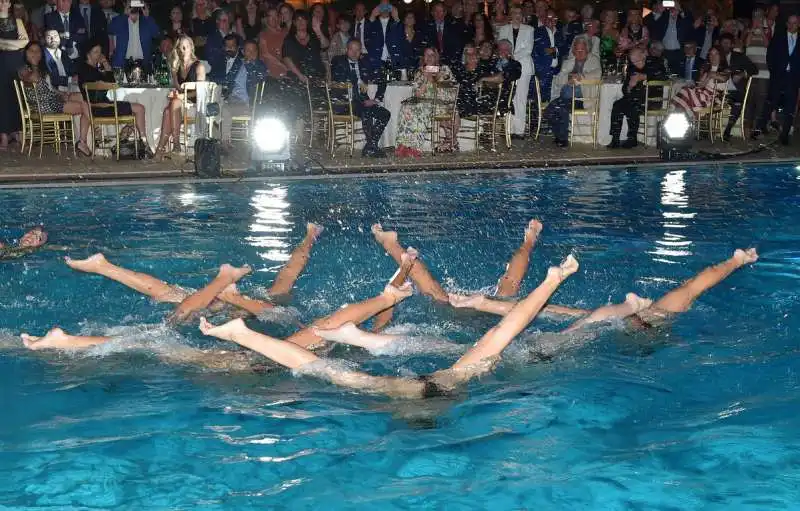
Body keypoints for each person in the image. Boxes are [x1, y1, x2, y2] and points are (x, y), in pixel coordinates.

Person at [195, 252, 579, 400]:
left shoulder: (452, 382)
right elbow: (504, 331)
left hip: (438, 387)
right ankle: (245, 334)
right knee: (323, 369)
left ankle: (550, 281)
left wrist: (551, 281)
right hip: (412, 393)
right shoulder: (426, 394)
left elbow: (503, 331)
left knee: (497, 339)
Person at [449, 248, 759, 335]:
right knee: (569, 319)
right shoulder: (663, 315)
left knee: (555, 312)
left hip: (634, 318)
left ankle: (484, 304)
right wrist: (737, 261)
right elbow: (697, 284)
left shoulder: (659, 311)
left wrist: (736, 260)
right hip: (648, 321)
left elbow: (698, 283)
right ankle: (484, 304)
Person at [59, 223, 324, 323]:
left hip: (233, 307)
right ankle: (311, 234)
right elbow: (288, 275)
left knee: (168, 295)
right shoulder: (274, 305)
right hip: (240, 306)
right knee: (282, 287)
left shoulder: (269, 308)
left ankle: (103, 266)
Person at [18, 41, 92, 156]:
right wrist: (34, 64)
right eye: (31, 51)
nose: (35, 53)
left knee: (83, 96)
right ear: (26, 53)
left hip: (53, 99)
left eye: (37, 51)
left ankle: (85, 138)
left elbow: (50, 89)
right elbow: (33, 78)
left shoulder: (42, 69)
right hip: (43, 104)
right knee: (84, 105)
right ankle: (83, 140)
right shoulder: (23, 69)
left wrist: (62, 94)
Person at [77, 38, 149, 151]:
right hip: (105, 108)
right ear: (88, 54)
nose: (99, 55)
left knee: (134, 113)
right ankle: (143, 142)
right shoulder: (92, 71)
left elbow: (110, 80)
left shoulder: (84, 70)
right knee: (140, 109)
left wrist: (104, 63)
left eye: (100, 52)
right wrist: (105, 64)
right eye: (95, 52)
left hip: (94, 109)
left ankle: (122, 139)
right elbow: (112, 82)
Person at [331, 39, 390, 158]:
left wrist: (376, 100)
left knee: (384, 114)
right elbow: (339, 78)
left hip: (361, 102)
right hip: (344, 103)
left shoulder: (364, 63)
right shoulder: (338, 61)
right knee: (366, 111)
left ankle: (370, 145)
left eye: (357, 50)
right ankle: (371, 148)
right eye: (351, 49)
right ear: (346, 50)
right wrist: (358, 81)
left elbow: (382, 79)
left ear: (361, 52)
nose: (354, 53)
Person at [394, 46, 455, 157]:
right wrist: (426, 79)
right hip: (423, 103)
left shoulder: (444, 69)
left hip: (441, 104)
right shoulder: (420, 71)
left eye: (432, 55)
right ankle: (403, 144)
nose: (429, 57)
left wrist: (431, 77)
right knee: (406, 108)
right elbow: (417, 94)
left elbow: (447, 90)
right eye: (427, 55)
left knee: (419, 112)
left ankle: (415, 147)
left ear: (436, 57)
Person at [154, 35, 206, 158]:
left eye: (186, 46)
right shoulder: (176, 67)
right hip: (182, 103)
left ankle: (174, 144)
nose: (184, 49)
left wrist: (182, 96)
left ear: (191, 48)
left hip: (195, 103)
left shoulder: (199, 66)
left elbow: (200, 91)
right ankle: (161, 150)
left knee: (174, 103)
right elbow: (179, 88)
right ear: (177, 49)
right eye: (181, 47)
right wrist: (176, 91)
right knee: (168, 111)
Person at [545, 36, 601, 147]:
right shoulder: (568, 62)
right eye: (577, 50)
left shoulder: (593, 60)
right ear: (573, 51)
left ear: (587, 50)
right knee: (549, 110)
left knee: (561, 107)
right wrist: (568, 78)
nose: (579, 53)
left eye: (582, 50)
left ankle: (562, 138)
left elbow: (598, 74)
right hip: (567, 96)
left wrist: (581, 77)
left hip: (583, 98)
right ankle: (559, 135)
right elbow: (558, 79)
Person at [607, 48, 666, 149]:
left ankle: (632, 138)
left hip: (651, 100)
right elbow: (624, 89)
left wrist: (644, 76)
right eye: (633, 61)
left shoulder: (655, 62)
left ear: (644, 55)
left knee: (632, 105)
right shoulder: (631, 68)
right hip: (634, 98)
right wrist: (629, 86)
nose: (636, 64)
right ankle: (615, 138)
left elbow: (663, 75)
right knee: (617, 105)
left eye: (638, 61)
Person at [755, 16, 800, 145]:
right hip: (778, 76)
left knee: (790, 106)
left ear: (798, 24)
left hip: (793, 78)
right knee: (771, 102)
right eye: (789, 23)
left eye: (794, 23)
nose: (791, 25)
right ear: (786, 24)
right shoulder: (779, 37)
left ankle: (785, 134)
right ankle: (760, 127)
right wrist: (774, 71)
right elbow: (770, 55)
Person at [496, 6, 534, 137]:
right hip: (508, 67)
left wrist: (512, 56)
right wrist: (507, 59)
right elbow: (501, 47)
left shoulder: (529, 29)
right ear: (510, 15)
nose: (517, 15)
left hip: (523, 67)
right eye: (514, 13)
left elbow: (528, 49)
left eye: (519, 13)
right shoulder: (503, 29)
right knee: (508, 97)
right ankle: (509, 128)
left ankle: (519, 130)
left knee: (520, 98)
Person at [0, 0, 28, 151]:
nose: (2, 4)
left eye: (5, 1)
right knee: (2, 99)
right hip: (1, 65)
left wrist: (5, 44)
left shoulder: (16, 21)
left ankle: (17, 133)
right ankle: (4, 136)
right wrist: (14, 44)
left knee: (17, 98)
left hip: (16, 64)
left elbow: (25, 42)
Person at [670, 47, 728, 117]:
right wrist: (708, 76)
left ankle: (673, 112)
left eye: (716, 54)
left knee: (686, 91)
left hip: (713, 98)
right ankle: (675, 114)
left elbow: (724, 78)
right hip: (702, 94)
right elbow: (700, 86)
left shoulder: (725, 70)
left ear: (721, 56)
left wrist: (711, 75)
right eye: (711, 54)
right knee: (685, 92)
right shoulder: (706, 69)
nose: (713, 57)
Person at [108, 0, 160, 74]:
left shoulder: (147, 20)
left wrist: (147, 16)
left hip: (143, 64)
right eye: (131, 1)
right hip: (123, 64)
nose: (134, 4)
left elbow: (156, 34)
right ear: (125, 4)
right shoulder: (120, 19)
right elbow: (111, 29)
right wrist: (124, 15)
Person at [533, 9, 564, 103]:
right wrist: (556, 50)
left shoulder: (559, 33)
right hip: (543, 70)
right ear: (544, 19)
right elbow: (542, 50)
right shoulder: (538, 31)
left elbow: (564, 48)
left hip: (556, 71)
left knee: (554, 98)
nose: (551, 20)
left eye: (554, 18)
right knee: (541, 98)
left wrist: (555, 50)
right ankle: (539, 117)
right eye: (549, 18)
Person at [44, 0, 86, 68]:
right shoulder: (49, 17)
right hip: (59, 59)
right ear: (57, 2)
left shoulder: (77, 16)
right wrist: (74, 34)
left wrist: (64, 34)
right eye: (63, 1)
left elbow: (83, 37)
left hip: (78, 58)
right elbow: (52, 39)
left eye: (68, 1)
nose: (66, 3)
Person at [365, 0, 402, 70]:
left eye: (387, 6)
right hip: (376, 61)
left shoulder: (396, 23)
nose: (385, 9)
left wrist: (396, 18)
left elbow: (401, 38)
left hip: (393, 61)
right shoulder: (372, 23)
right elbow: (365, 38)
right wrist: (372, 16)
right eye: (382, 6)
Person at [425, 2, 463, 67]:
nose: (438, 14)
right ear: (432, 13)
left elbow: (457, 45)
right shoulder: (426, 27)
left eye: (440, 11)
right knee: (432, 75)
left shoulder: (453, 27)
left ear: (445, 13)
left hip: (450, 62)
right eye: (435, 11)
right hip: (432, 63)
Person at [258, 6, 288, 79]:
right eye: (271, 16)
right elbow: (265, 53)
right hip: (271, 75)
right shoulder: (263, 34)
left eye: (276, 16)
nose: (274, 19)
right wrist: (282, 65)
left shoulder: (285, 31)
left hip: (286, 73)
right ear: (267, 18)